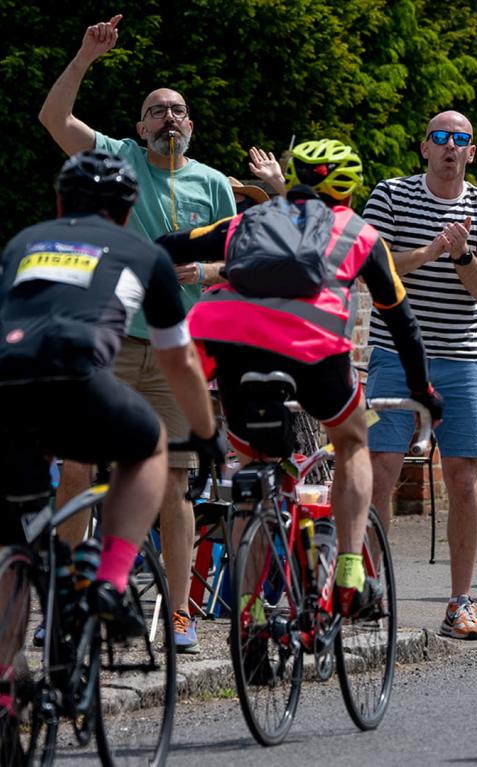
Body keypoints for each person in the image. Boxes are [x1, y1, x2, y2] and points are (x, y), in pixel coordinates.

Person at [155, 138, 443, 617]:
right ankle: (351, 567)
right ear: (348, 191)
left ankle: (248, 613)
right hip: (315, 351)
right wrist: (422, 390)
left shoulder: (247, 221)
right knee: (352, 441)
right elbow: (403, 323)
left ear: (293, 179)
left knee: (252, 469)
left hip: (235, 348)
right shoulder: (360, 234)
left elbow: (169, 247)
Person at [0, 151, 224, 737]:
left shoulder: (24, 242)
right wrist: (204, 435)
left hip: (6, 385)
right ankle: (109, 578)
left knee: (16, 547)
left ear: (58, 204)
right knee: (149, 444)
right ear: (127, 214)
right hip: (76, 377)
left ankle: (5, 688)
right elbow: (179, 360)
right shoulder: (143, 253)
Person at [38, 14, 236, 652]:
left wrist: (204, 269)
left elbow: (241, 261)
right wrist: (85, 57)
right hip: (112, 344)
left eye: (177, 111)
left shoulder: (211, 184)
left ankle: (178, 615)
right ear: (139, 126)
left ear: (192, 126)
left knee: (174, 485)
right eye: (156, 112)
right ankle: (67, 605)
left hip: (179, 351)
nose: (168, 119)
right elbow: (54, 119)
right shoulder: (117, 157)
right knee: (77, 470)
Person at [362, 110, 477, 640]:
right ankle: (371, 589)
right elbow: (370, 265)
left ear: (472, 151)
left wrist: (464, 254)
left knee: (464, 477)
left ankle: (460, 603)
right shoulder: (391, 195)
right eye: (442, 138)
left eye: (461, 139)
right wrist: (429, 252)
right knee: (379, 468)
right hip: (395, 354)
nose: (451, 146)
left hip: (463, 358)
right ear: (424, 147)